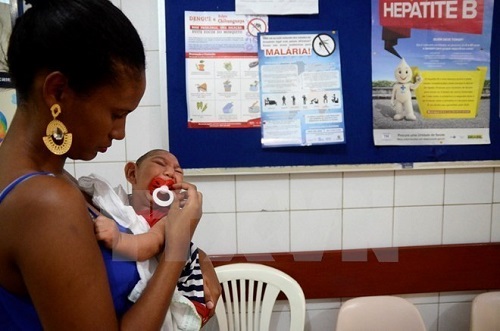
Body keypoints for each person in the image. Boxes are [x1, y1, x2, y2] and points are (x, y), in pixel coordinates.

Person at [0, 0, 220, 330]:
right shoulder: (45, 201)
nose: (119, 133)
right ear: (57, 91)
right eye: (116, 114)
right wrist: (176, 247)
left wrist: (192, 255)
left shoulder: (51, 180)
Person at [78, 149, 211, 328]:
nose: (171, 172)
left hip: (189, 298)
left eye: (178, 171)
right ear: (132, 173)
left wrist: (118, 240)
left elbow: (149, 244)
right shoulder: (119, 208)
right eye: (160, 163)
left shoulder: (169, 218)